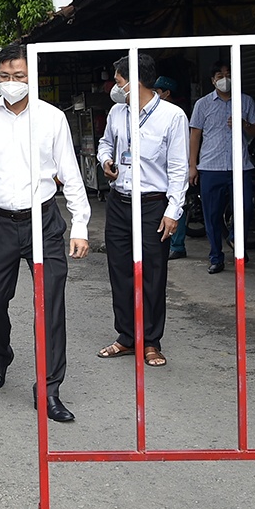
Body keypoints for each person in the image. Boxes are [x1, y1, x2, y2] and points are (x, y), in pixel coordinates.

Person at [0, 45, 90, 423]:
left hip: (44, 221)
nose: (12, 84)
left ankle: (49, 388)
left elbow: (70, 172)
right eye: (5, 77)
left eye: (19, 77)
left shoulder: (52, 119)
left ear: (32, 79)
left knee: (50, 305)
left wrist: (80, 224)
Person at [96, 53, 189, 367]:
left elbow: (178, 168)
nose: (115, 87)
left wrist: (173, 210)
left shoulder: (172, 116)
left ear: (133, 82)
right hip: (119, 203)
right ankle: (126, 337)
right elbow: (105, 144)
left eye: (119, 81)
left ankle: (151, 341)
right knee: (119, 271)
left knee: (152, 273)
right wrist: (105, 160)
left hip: (152, 205)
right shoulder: (116, 112)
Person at [189, 60, 255, 274]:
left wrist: (245, 125)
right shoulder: (203, 104)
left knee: (246, 209)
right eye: (219, 75)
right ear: (213, 80)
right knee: (211, 214)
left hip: (240, 166)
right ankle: (216, 256)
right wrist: (192, 166)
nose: (224, 79)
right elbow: (195, 135)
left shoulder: (245, 101)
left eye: (228, 74)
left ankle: (235, 239)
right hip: (211, 166)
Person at [154, 76, 189, 260]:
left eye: (158, 92)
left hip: (172, 171)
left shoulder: (175, 114)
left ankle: (177, 244)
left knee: (175, 205)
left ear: (167, 94)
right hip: (158, 172)